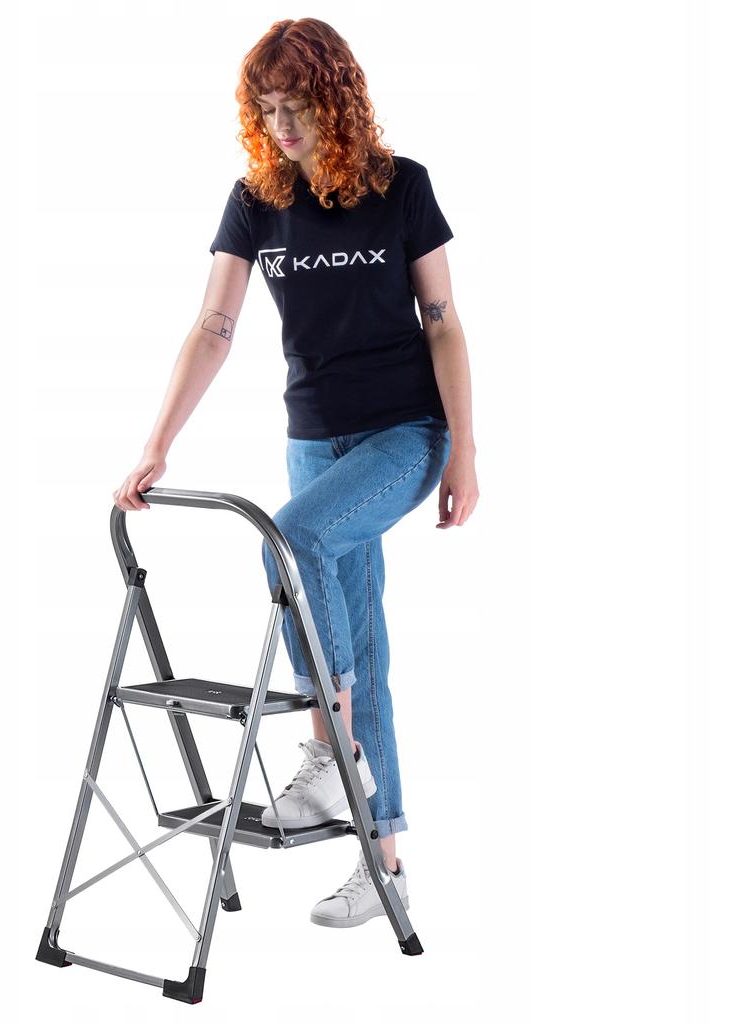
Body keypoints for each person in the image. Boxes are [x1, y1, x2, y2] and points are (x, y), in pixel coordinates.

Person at [112, 18, 478, 929]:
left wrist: (465, 450)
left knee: (292, 537)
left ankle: (329, 756)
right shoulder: (256, 199)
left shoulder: (401, 187)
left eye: (298, 106)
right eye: (267, 108)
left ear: (338, 100)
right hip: (313, 441)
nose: (281, 125)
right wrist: (158, 443)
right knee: (363, 643)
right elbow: (214, 327)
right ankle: (385, 868)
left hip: (403, 434)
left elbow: (442, 322)